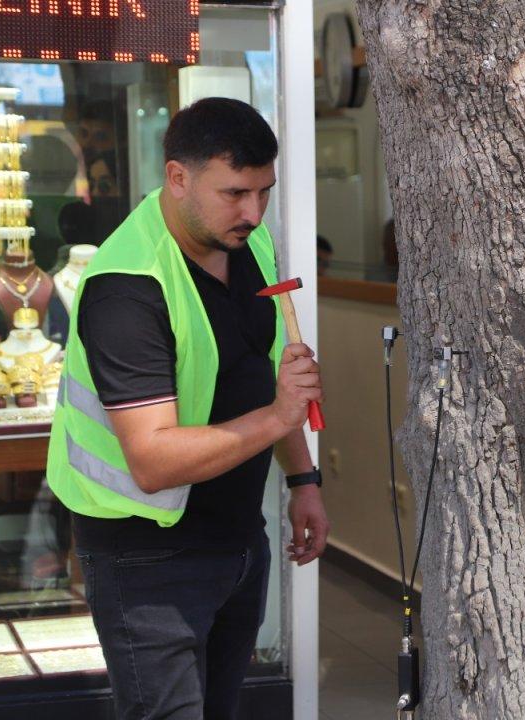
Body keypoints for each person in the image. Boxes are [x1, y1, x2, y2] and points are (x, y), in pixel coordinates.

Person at [46, 97, 329, 719]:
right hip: (145, 557)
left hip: (238, 535)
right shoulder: (127, 286)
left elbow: (268, 375)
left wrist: (303, 480)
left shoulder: (249, 241)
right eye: (235, 193)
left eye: (264, 191)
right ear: (177, 177)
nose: (254, 212)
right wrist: (280, 419)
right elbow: (152, 461)